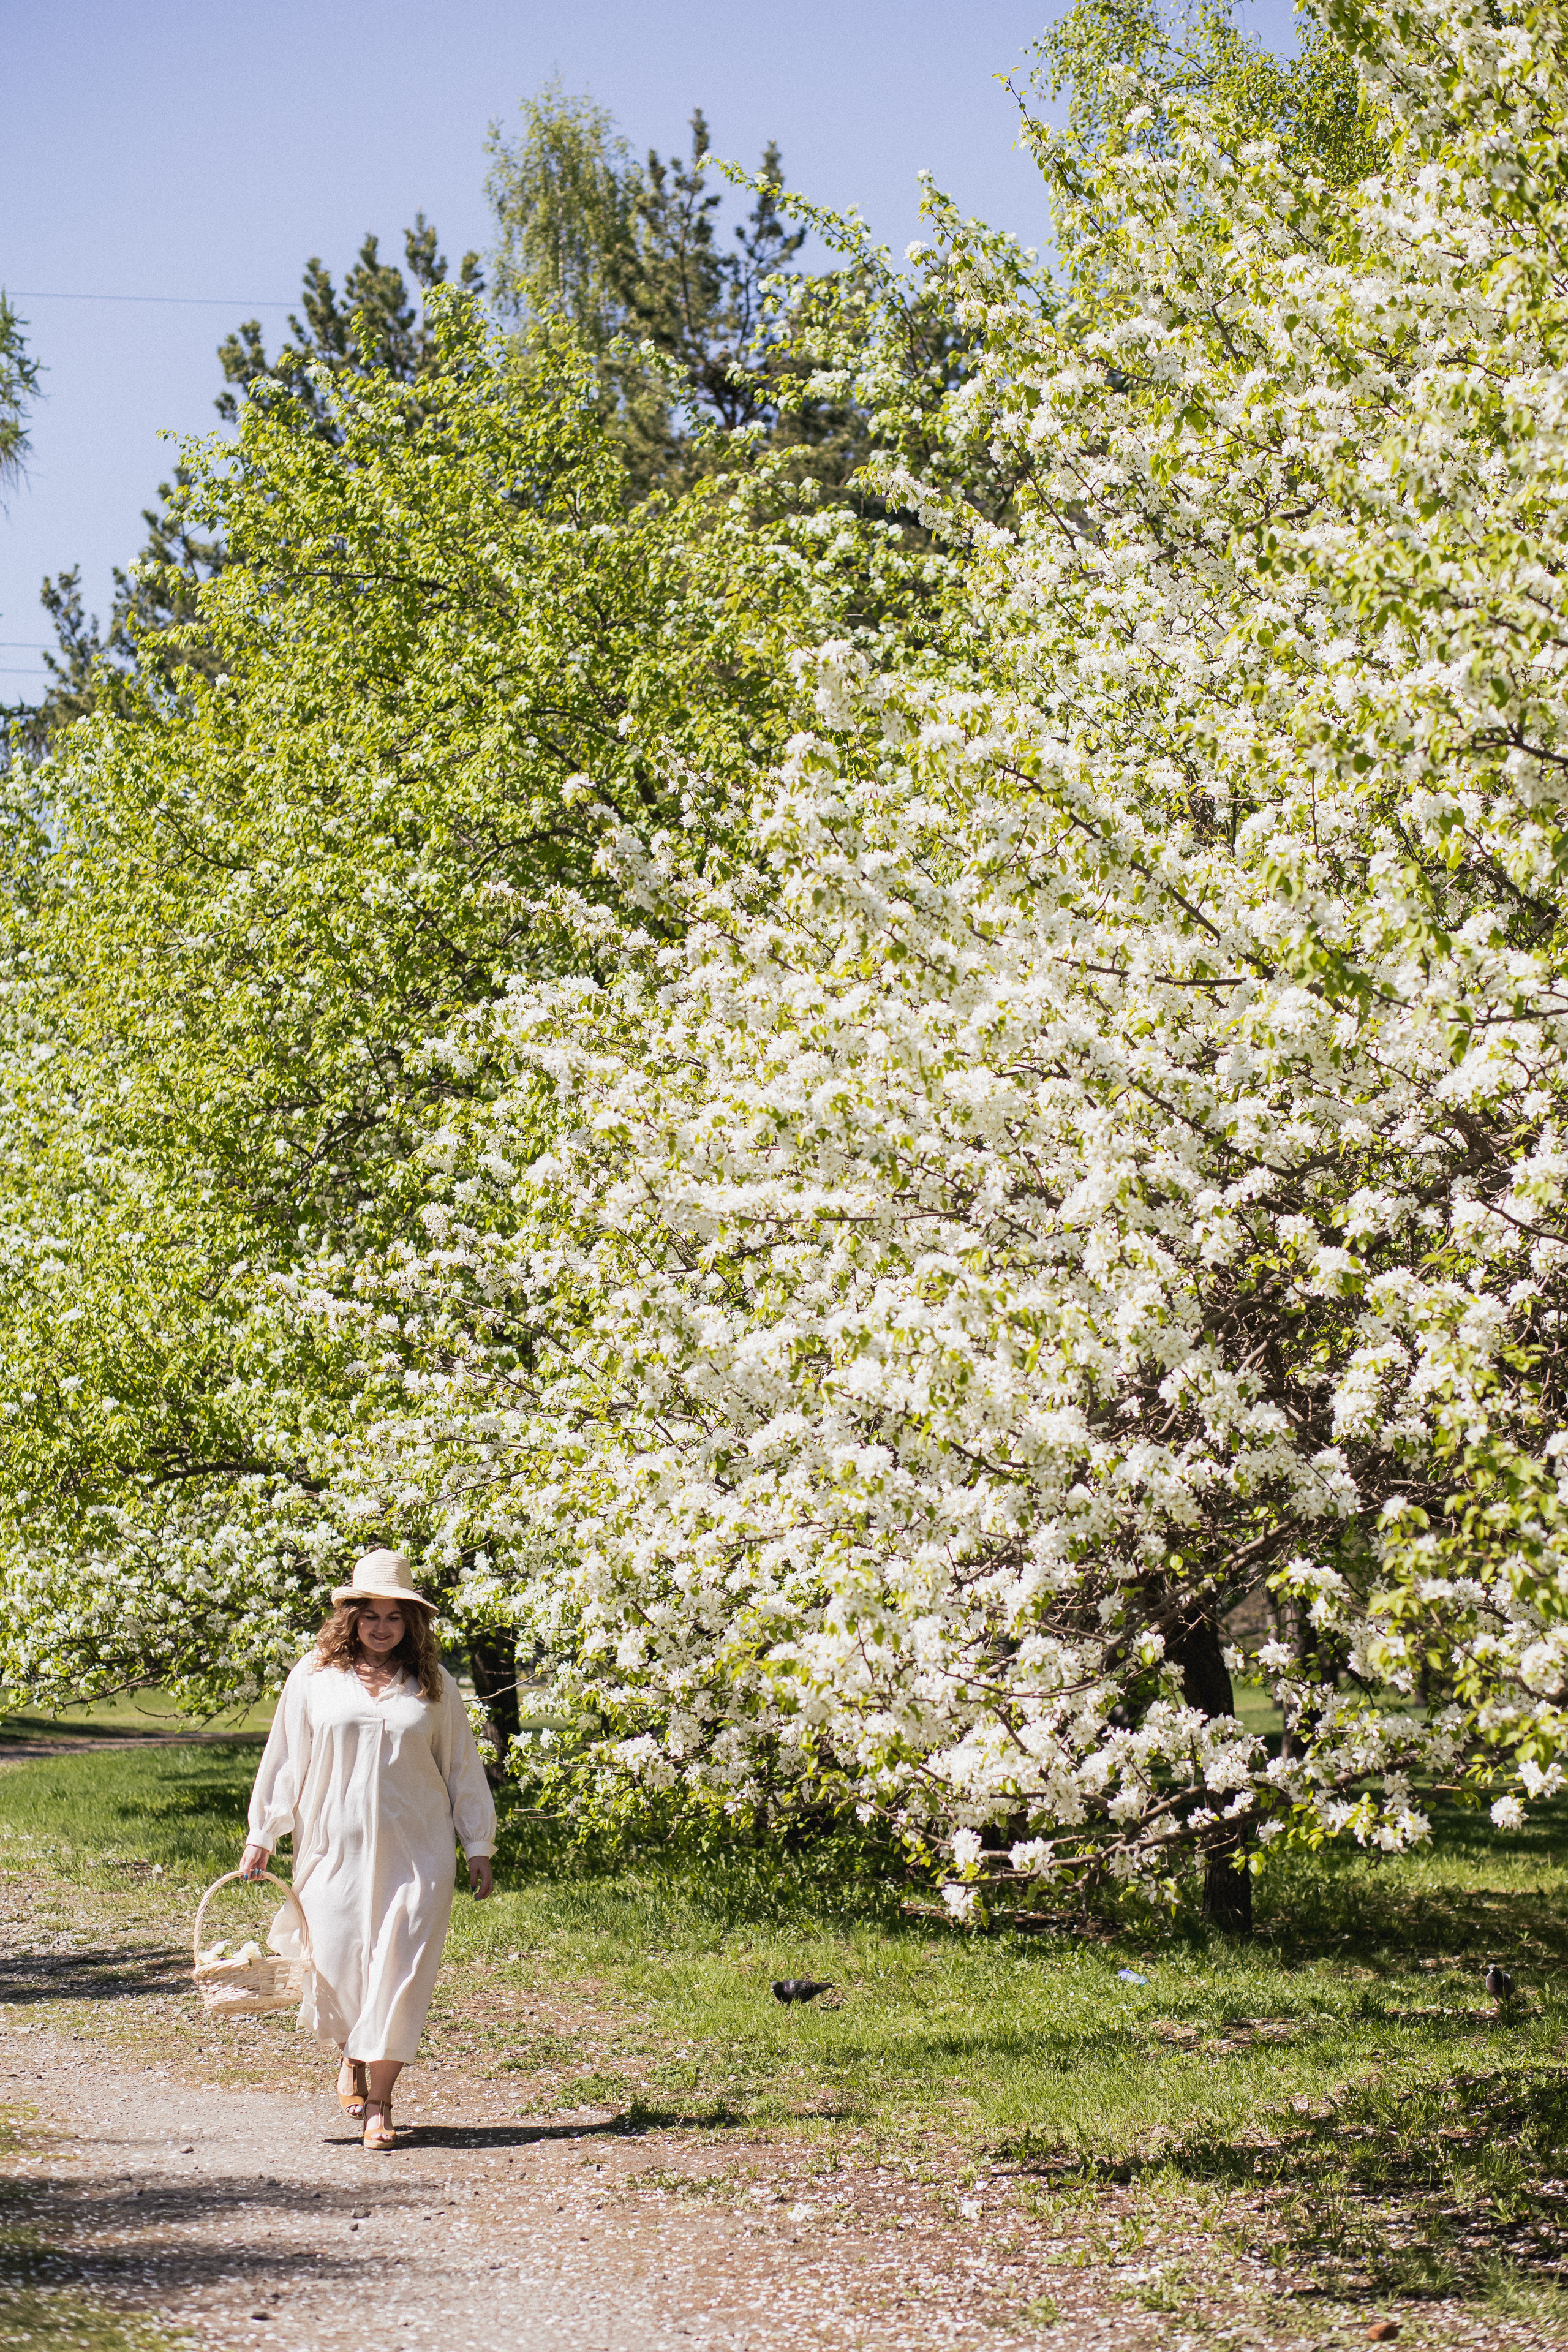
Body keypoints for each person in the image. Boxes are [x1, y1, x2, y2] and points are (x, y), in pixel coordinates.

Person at [239, 1549, 496, 2150]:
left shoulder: (432, 1686)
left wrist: (477, 1841)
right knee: (335, 1963)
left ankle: (379, 2103)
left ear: (413, 1624)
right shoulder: (313, 1677)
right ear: (351, 1617)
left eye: (396, 1617)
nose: (382, 1627)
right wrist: (263, 1834)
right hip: (331, 1851)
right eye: (371, 1615)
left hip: (418, 1853)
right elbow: (284, 1758)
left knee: (400, 1971)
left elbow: (462, 1767)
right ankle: (352, 2049)